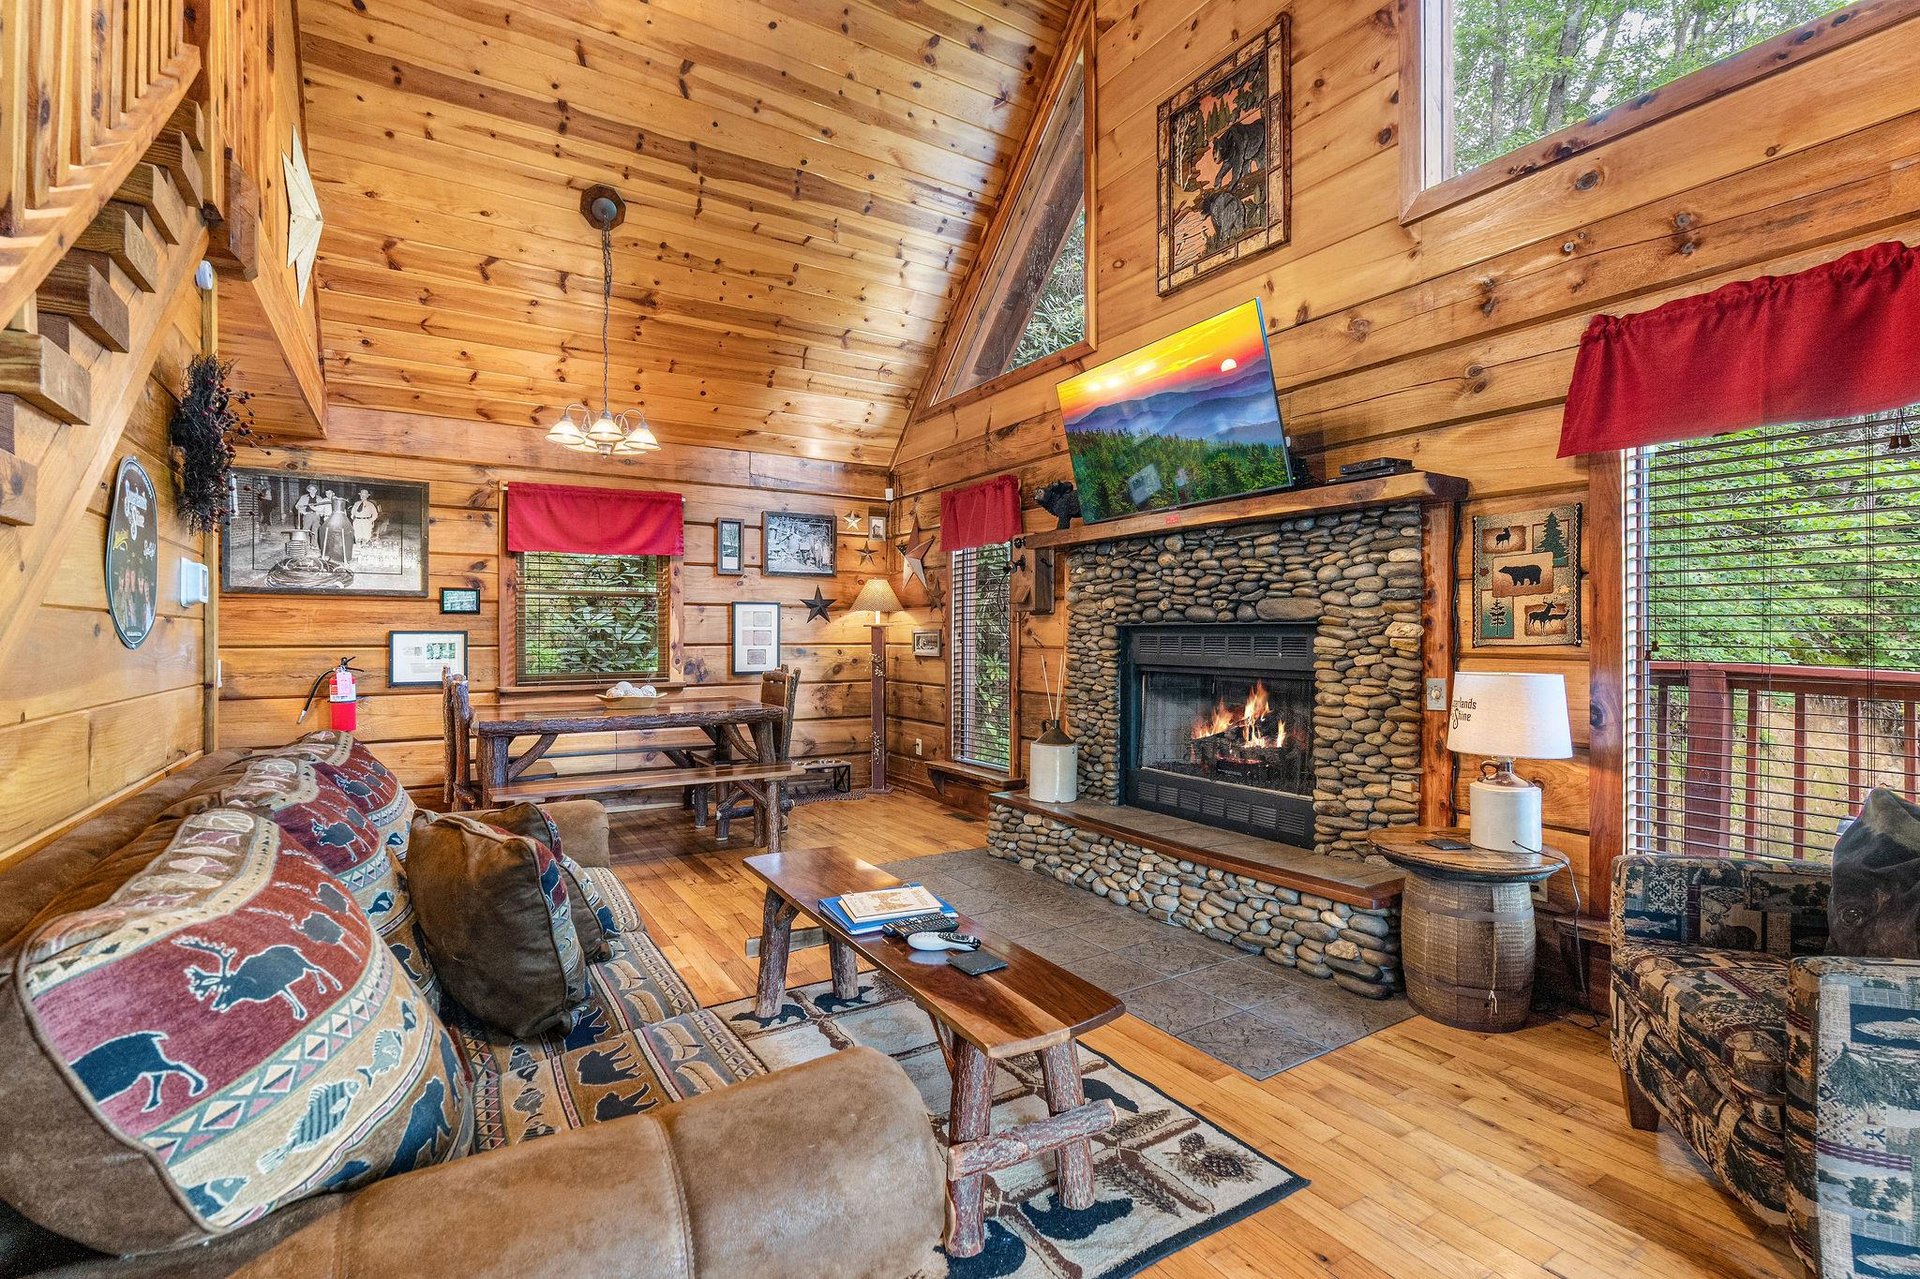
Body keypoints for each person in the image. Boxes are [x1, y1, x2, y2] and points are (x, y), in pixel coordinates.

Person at [319, 488, 354, 566]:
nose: (328, 495)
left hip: (338, 519)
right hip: (328, 519)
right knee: (329, 538)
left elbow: (343, 512)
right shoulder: (324, 500)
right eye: (327, 493)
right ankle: (329, 554)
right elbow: (318, 509)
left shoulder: (337, 500)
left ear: (333, 493)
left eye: (330, 493)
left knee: (340, 540)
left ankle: (342, 556)